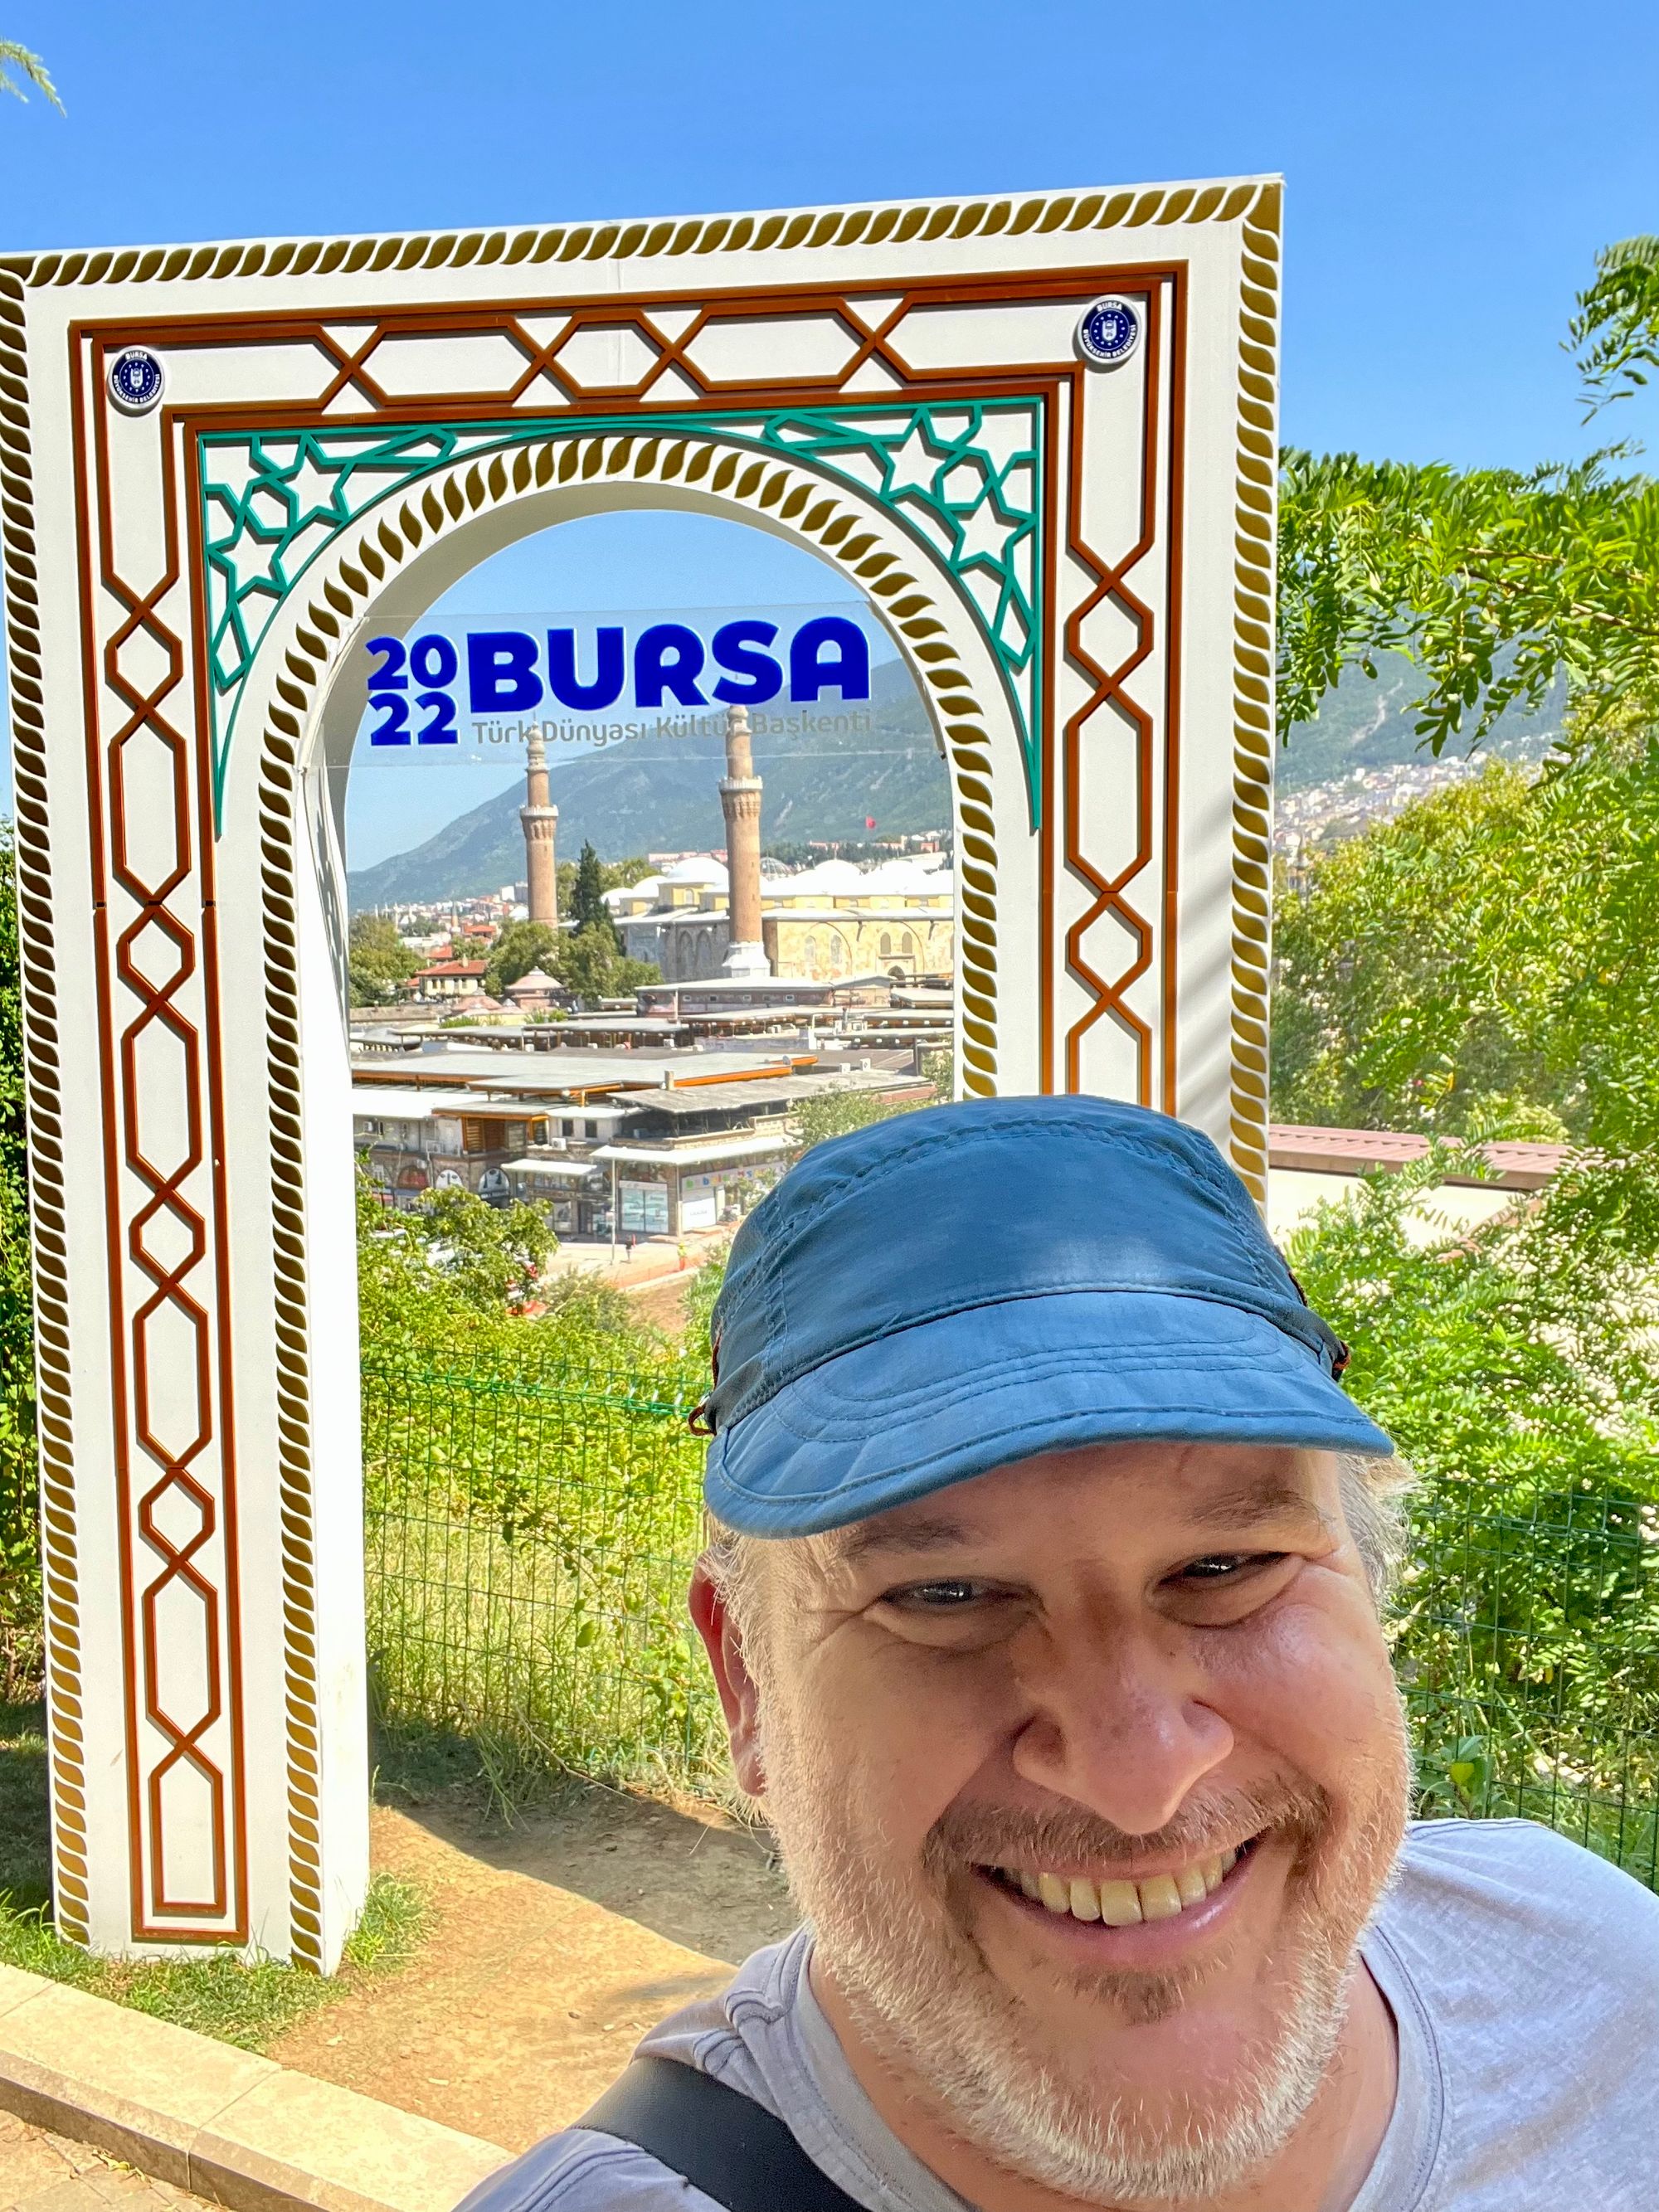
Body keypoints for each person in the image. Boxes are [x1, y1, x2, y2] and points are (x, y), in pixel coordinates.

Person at [462, 1099, 1659, 2212]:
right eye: (944, 1595)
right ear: (749, 1686)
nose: (1140, 1780)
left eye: (1225, 1569)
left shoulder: (1600, 1974)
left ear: (1368, 1588)